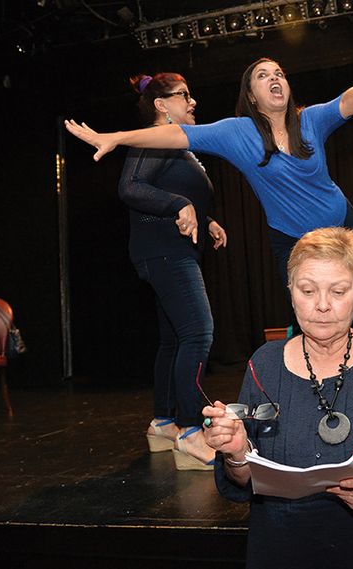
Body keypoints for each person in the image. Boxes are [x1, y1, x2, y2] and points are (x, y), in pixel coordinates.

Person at [65, 36, 353, 318]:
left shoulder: (310, 120)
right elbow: (176, 135)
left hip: (336, 214)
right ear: (252, 96)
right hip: (288, 232)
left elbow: (346, 100)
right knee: (303, 302)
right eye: (263, 75)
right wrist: (116, 137)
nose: (274, 79)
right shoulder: (236, 133)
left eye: (279, 73)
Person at [201, 227, 353, 568]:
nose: (322, 305)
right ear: (290, 292)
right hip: (286, 552)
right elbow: (244, 480)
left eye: (339, 290)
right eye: (307, 290)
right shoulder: (264, 364)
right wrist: (236, 453)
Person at [120, 72, 227, 470]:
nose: (192, 101)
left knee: (174, 340)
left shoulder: (175, 145)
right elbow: (130, 187)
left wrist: (206, 218)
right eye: (183, 96)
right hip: (165, 252)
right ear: (161, 105)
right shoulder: (153, 138)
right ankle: (189, 430)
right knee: (198, 334)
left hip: (169, 249)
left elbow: (173, 191)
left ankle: (163, 422)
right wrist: (179, 204)